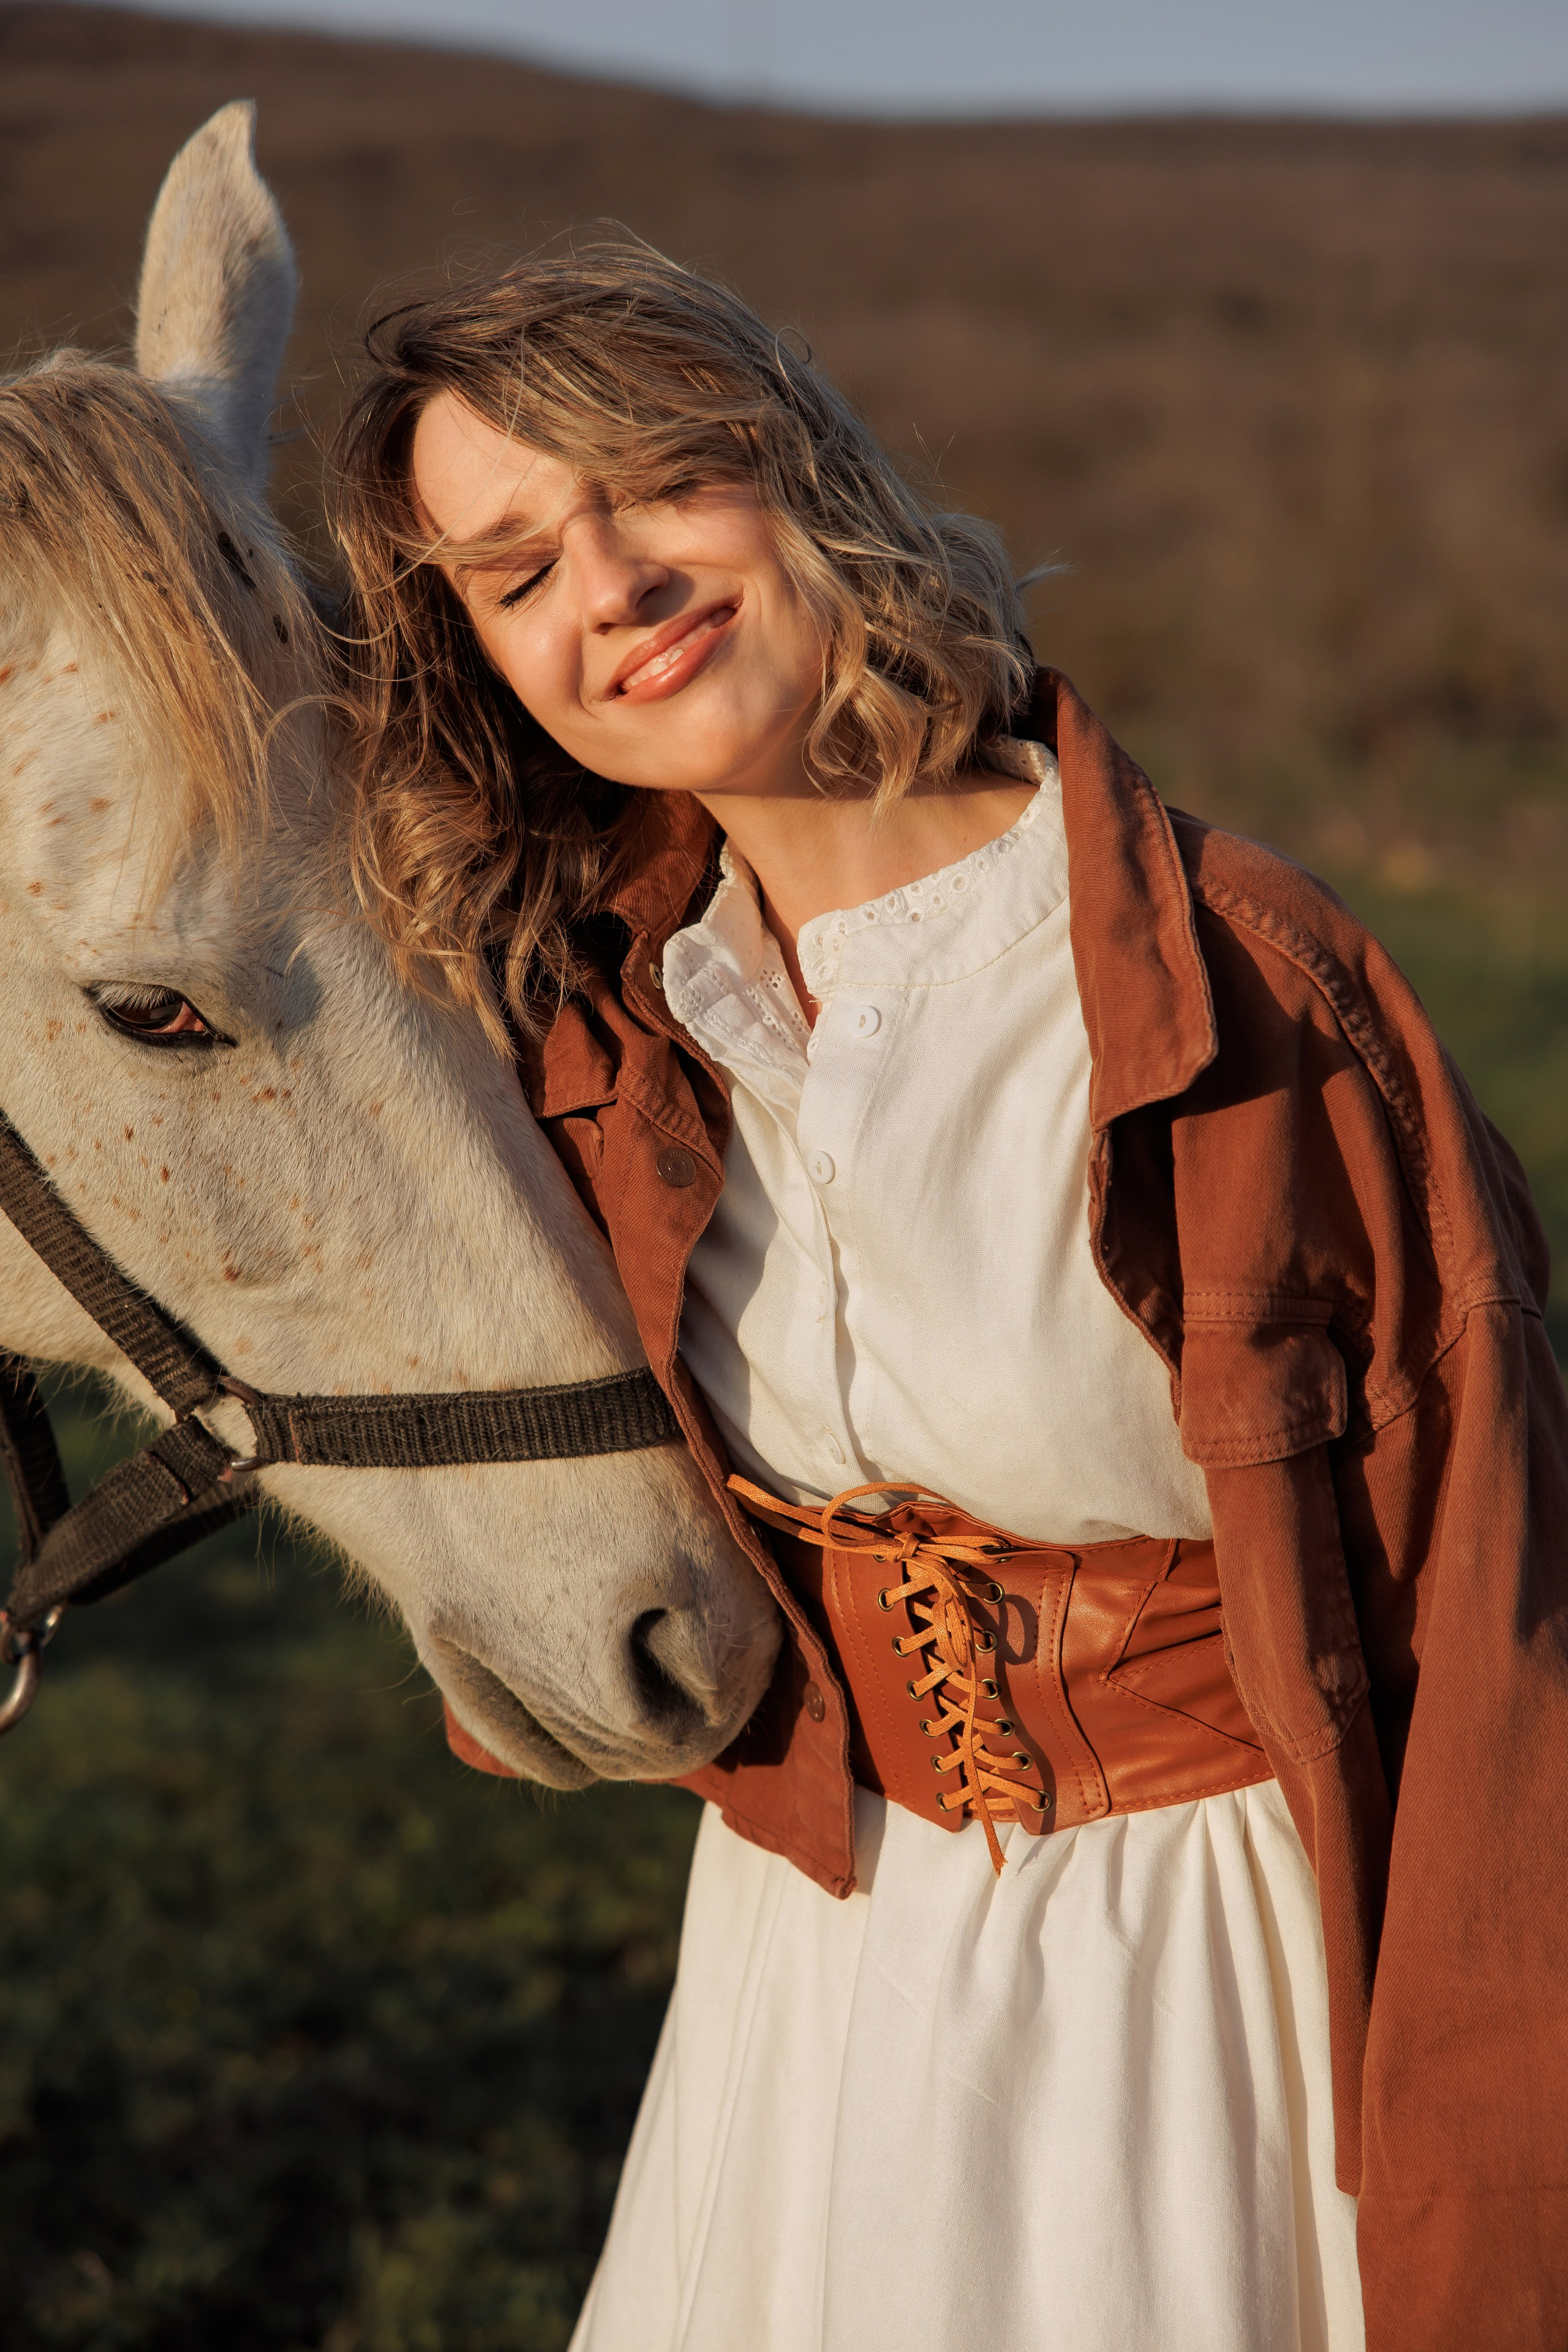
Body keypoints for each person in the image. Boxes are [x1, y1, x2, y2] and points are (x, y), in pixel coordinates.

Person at [330, 246, 1568, 2352]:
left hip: (1211, 1977)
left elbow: (1502, 1638)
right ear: (484, 656)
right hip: (820, 1967)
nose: (607, 583)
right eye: (514, 565)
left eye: (657, 482)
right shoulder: (602, 1037)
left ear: (800, 477)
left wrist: (1491, 2227)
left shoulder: (1249, 982)